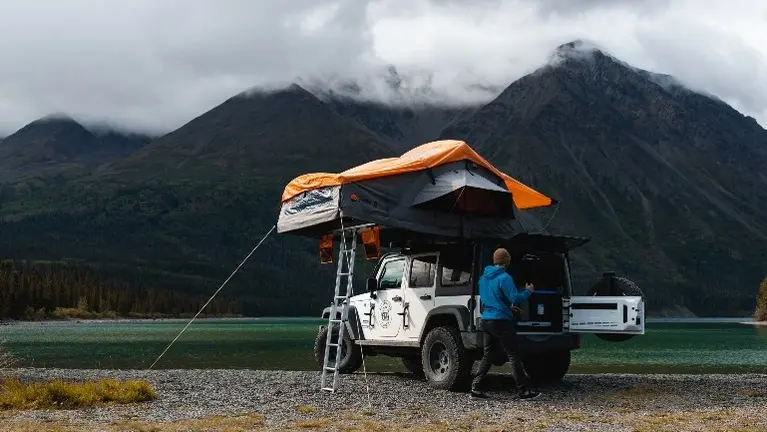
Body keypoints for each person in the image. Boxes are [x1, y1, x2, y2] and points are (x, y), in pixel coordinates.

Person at [470, 247, 541, 400]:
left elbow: (491, 299)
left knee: (488, 355)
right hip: (501, 321)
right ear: (507, 261)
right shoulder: (505, 277)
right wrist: (528, 291)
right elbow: (515, 297)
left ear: (494, 260)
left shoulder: (483, 278)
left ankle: (475, 388)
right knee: (514, 354)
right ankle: (523, 391)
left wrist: (506, 307)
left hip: (486, 319)